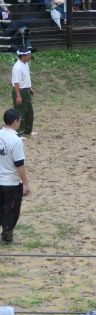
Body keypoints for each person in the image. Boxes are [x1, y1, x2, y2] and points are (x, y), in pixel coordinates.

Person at [0, 109, 31, 245]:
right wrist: (25, 183)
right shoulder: (16, 140)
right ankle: (7, 236)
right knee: (11, 210)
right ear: (15, 121)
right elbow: (19, 164)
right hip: (10, 182)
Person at [11, 49, 36, 137]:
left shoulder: (26, 64)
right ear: (22, 56)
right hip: (20, 91)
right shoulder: (17, 67)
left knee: (29, 111)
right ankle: (19, 133)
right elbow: (16, 83)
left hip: (26, 90)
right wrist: (18, 96)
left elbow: (26, 78)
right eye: (28, 55)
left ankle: (27, 130)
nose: (29, 56)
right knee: (20, 112)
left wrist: (30, 88)